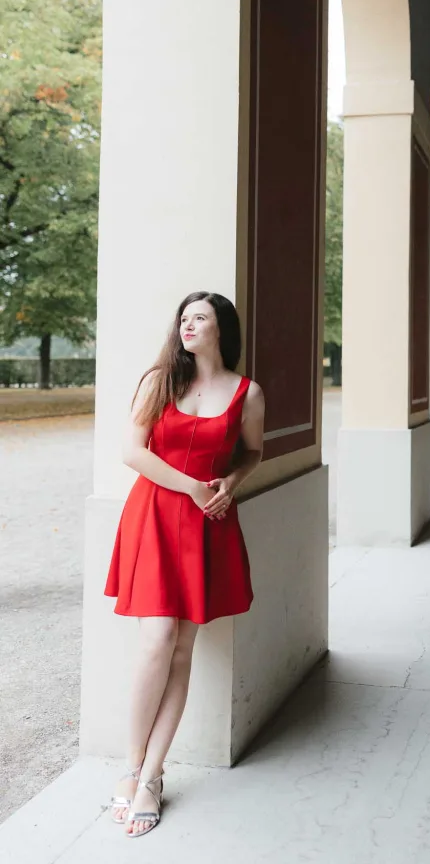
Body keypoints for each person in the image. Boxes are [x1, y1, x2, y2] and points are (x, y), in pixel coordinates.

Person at [103, 291, 265, 838]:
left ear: (222, 328)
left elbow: (252, 453)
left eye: (200, 318)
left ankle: (152, 776)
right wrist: (194, 487)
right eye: (184, 318)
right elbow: (133, 452)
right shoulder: (159, 380)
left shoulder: (247, 393)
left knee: (182, 649)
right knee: (157, 641)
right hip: (154, 514)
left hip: (206, 526)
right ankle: (130, 767)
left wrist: (230, 483)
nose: (188, 325)